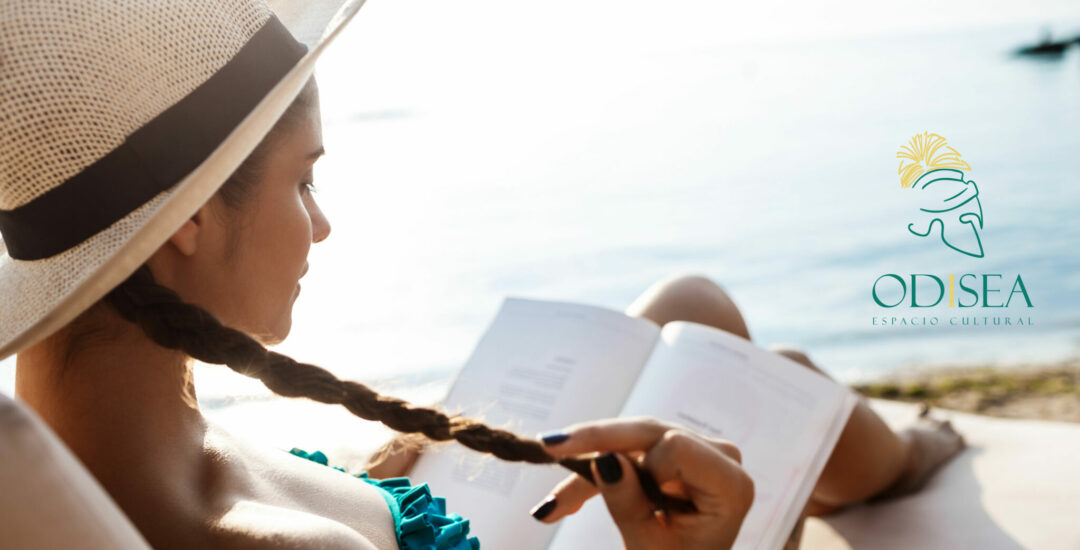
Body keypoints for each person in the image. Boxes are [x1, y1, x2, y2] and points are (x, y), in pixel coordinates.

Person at [0, 1, 964, 549]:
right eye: (306, 179)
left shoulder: (84, 446)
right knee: (754, 384)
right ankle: (914, 456)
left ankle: (900, 455)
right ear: (190, 220)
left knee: (691, 314)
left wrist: (366, 470)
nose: (322, 226)